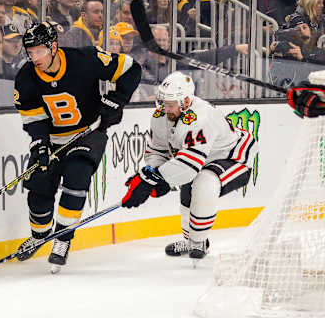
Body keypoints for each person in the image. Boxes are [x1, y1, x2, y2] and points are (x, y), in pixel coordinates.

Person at [14, 21, 141, 272]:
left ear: (53, 46)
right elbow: (33, 117)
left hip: (88, 133)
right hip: (52, 139)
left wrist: (116, 101)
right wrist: (40, 144)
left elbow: (131, 69)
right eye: (30, 53)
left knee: (77, 176)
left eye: (39, 51)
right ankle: (40, 236)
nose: (34, 57)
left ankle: (62, 239)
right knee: (38, 192)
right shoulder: (26, 77)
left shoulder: (85, 59)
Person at [121, 71, 257, 261]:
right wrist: (149, 175)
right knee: (188, 197)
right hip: (198, 159)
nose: (165, 108)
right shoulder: (161, 115)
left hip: (233, 157)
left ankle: (198, 242)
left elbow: (189, 167)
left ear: (185, 102)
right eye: (163, 102)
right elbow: (157, 152)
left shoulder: (202, 117)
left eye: (170, 104)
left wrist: (154, 180)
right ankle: (192, 240)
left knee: (204, 182)